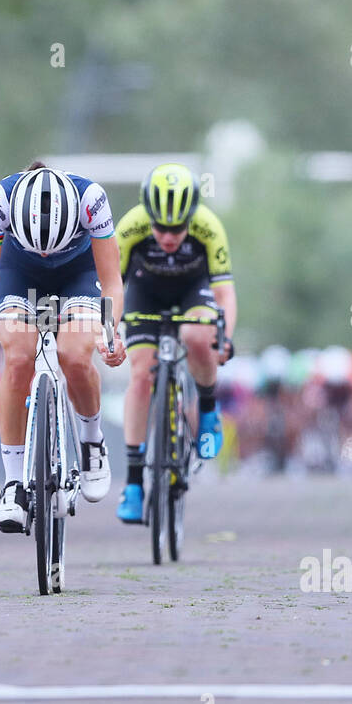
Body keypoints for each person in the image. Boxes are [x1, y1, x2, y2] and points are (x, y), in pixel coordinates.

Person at [0, 162, 126, 531]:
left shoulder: (92, 200)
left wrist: (109, 333)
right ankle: (12, 484)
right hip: (17, 274)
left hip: (79, 275)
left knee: (75, 355)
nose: (47, 255)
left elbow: (112, 281)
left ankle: (91, 442)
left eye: (54, 247)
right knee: (18, 358)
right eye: (40, 248)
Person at [112, 163, 236, 524]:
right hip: (143, 295)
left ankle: (208, 410)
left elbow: (225, 293)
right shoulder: (130, 226)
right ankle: (134, 483)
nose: (168, 236)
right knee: (140, 377)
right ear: (147, 215)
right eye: (161, 227)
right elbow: (111, 286)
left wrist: (224, 336)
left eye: (177, 228)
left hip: (191, 292)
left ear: (190, 217)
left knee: (198, 335)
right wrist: (108, 331)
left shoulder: (208, 227)